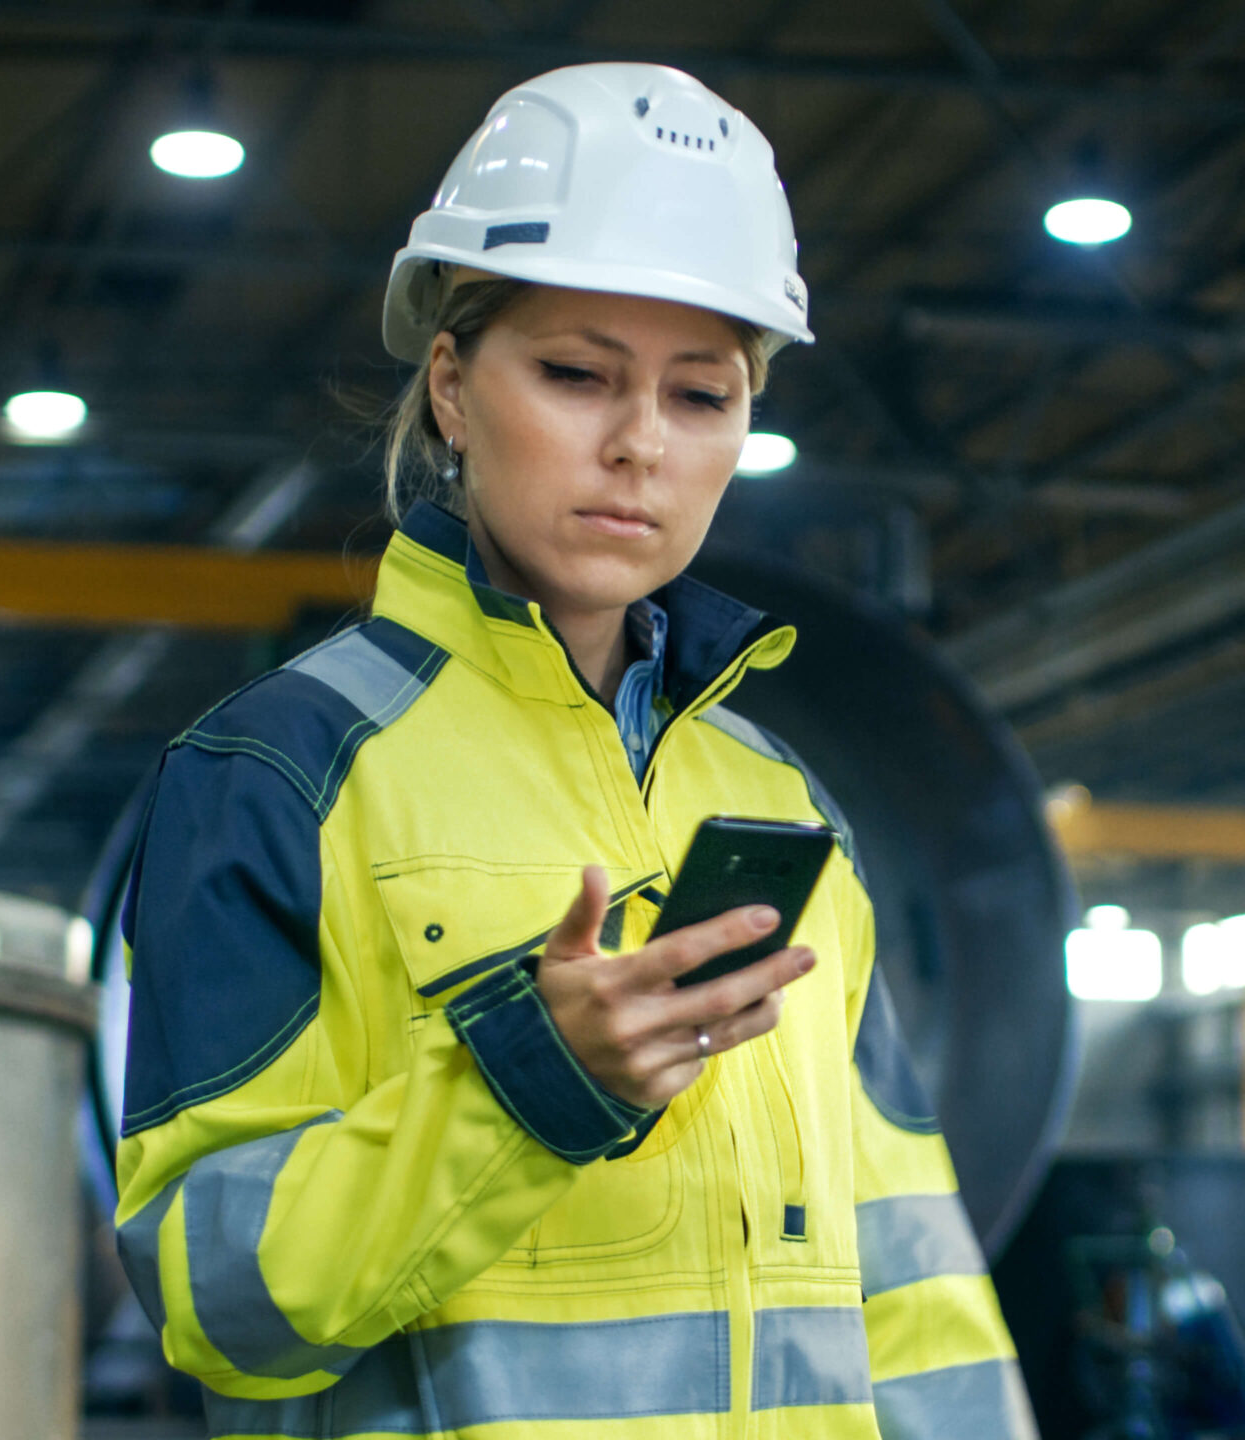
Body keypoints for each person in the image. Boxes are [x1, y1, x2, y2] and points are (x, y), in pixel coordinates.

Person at [111, 62, 1034, 1440]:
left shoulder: (781, 803)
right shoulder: (277, 776)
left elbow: (910, 1275)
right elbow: (214, 1300)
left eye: (702, 396)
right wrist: (523, 1086)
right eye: (574, 375)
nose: (640, 447)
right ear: (451, 391)